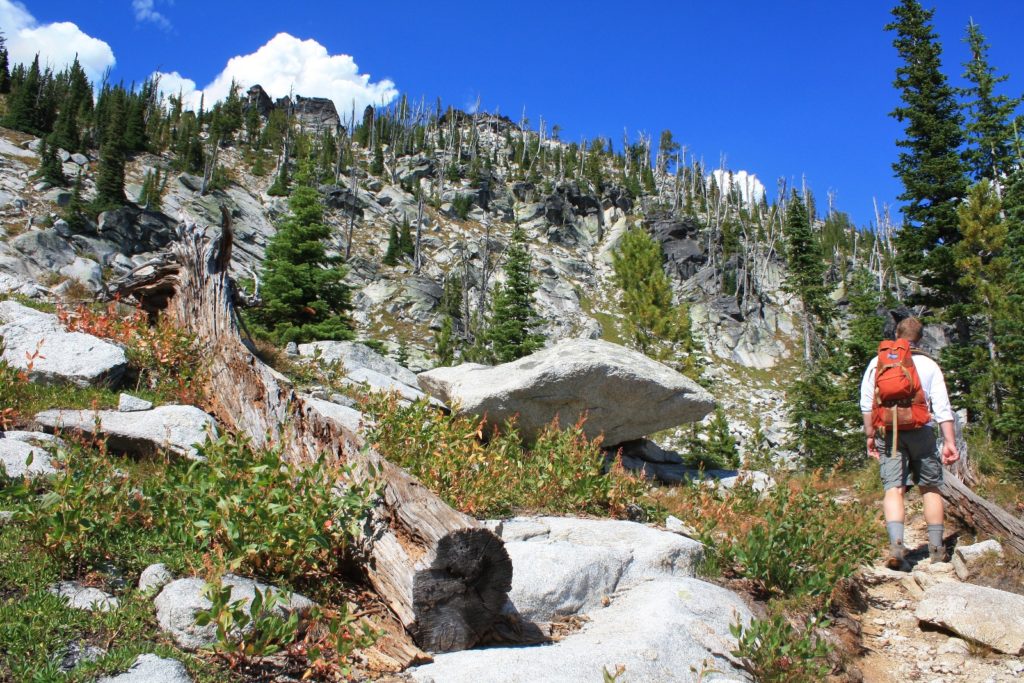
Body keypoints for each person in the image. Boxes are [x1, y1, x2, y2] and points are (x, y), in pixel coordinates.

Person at [860, 316, 959, 570]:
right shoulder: (929, 365)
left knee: (894, 489)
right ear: (921, 338)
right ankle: (937, 550)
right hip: (921, 431)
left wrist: (870, 436)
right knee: (930, 488)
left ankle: (896, 547)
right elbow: (942, 408)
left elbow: (866, 404)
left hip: (889, 432)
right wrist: (949, 441)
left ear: (896, 334)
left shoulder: (878, 363)